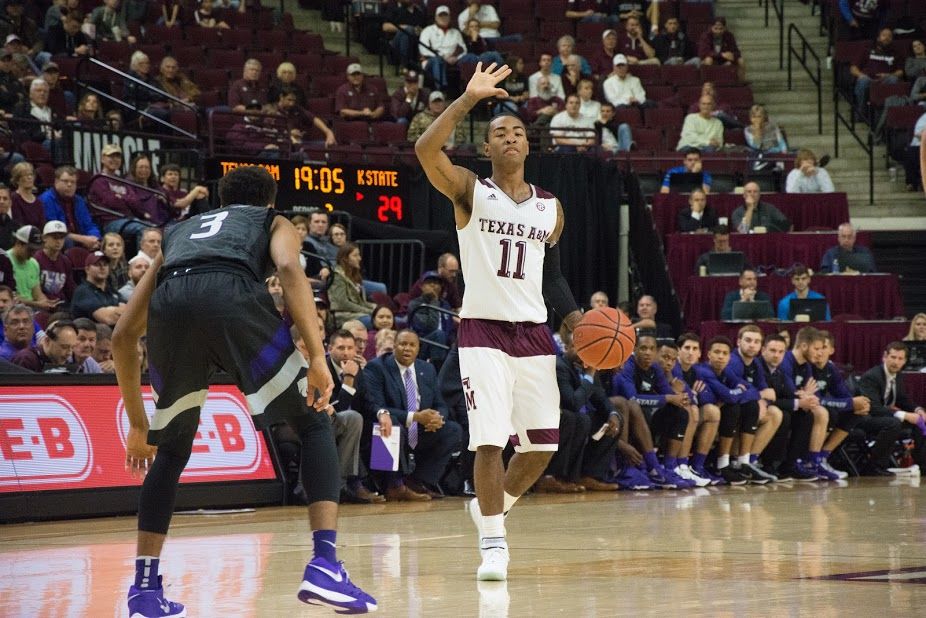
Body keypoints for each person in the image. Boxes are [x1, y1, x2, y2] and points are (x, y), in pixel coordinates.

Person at [112, 166, 376, 617]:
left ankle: (143, 590)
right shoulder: (272, 222)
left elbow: (121, 337)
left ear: (219, 201)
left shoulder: (177, 231)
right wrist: (316, 356)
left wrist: (139, 426)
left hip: (172, 304)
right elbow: (290, 267)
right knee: (314, 419)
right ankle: (325, 566)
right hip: (229, 292)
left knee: (171, 452)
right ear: (269, 201)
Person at [414, 62, 583, 581]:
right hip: (483, 331)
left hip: (534, 334)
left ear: (528, 146)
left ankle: (493, 506)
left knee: (543, 446)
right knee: (488, 440)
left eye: (517, 132)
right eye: (498, 133)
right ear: (486, 148)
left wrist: (576, 319)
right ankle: (494, 544)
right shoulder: (470, 190)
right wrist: (466, 101)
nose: (509, 137)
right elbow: (425, 150)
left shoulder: (550, 209)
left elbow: (551, 277)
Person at [360, 329, 462, 500]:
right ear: (394, 346)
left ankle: (418, 482)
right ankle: (393, 485)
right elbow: (374, 406)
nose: (407, 348)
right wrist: (415, 417)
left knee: (453, 430)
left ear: (418, 348)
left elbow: (440, 403)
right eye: (403, 344)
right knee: (388, 422)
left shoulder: (427, 369)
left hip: (421, 431)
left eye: (412, 345)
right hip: (391, 429)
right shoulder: (377, 367)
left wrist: (437, 418)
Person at [610, 333, 697, 488]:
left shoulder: (655, 368)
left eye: (651, 349)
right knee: (636, 407)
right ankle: (652, 467)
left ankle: (669, 468)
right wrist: (669, 398)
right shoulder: (627, 366)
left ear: (656, 352)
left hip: (646, 419)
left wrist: (683, 398)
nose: (648, 352)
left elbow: (670, 394)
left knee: (681, 412)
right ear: (634, 349)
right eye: (643, 348)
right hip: (622, 419)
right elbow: (633, 399)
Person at [553, 328, 621, 492]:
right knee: (578, 419)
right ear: (567, 348)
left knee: (611, 420)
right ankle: (552, 477)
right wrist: (589, 375)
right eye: (577, 347)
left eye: (585, 348)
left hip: (573, 419)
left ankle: (589, 476)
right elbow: (573, 403)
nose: (582, 352)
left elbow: (601, 399)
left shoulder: (585, 367)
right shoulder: (560, 366)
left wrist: (613, 414)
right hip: (555, 418)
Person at [858, 342, 926, 474]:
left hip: (883, 416)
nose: (896, 362)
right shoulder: (872, 377)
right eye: (893, 357)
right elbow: (873, 407)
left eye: (900, 359)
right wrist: (905, 415)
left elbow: (902, 399)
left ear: (905, 361)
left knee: (921, 420)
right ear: (885, 357)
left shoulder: (898, 375)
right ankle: (875, 467)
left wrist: (918, 410)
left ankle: (923, 466)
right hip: (865, 418)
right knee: (893, 423)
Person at [726, 325, 783, 482]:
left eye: (757, 342)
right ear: (738, 342)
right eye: (748, 340)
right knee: (748, 409)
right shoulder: (733, 361)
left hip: (747, 407)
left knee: (775, 413)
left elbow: (769, 393)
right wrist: (758, 397)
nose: (752, 345)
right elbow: (736, 391)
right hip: (728, 406)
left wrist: (761, 399)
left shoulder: (756, 363)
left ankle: (749, 461)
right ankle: (735, 462)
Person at [8, 225, 61, 312]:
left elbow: (37, 293)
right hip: (12, 310)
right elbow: (10, 297)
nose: (33, 253)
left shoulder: (34, 263)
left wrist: (46, 302)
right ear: (18, 243)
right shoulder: (5, 261)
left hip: (31, 310)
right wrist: (37, 304)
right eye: (30, 249)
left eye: (35, 250)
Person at [850, 27, 901, 110]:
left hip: (885, 80)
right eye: (884, 35)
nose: (887, 38)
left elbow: (900, 71)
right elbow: (853, 68)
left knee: (893, 79)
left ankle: (887, 111)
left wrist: (889, 75)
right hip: (868, 78)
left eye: (889, 36)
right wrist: (861, 75)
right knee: (863, 81)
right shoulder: (867, 50)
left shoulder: (895, 53)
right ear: (878, 38)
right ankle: (861, 111)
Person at [328, 242, 376, 327]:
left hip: (356, 312)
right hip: (343, 315)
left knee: (384, 314)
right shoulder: (337, 276)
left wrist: (375, 308)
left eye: (359, 255)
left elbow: (360, 302)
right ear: (345, 258)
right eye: (355, 255)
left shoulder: (354, 275)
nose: (359, 258)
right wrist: (367, 310)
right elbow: (342, 303)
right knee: (373, 320)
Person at [418, 6, 465, 92]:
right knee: (437, 60)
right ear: (436, 17)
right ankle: (440, 88)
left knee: (468, 58)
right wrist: (443, 57)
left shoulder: (456, 32)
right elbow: (423, 49)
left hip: (453, 60)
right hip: (431, 61)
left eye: (445, 16)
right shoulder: (427, 30)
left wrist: (455, 58)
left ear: (449, 17)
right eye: (441, 16)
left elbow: (463, 49)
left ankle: (465, 90)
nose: (443, 18)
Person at [70, 250, 126, 324]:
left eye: (105, 264)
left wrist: (111, 310)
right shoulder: (83, 291)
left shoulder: (111, 290)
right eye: (97, 265)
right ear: (87, 269)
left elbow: (130, 312)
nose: (102, 267)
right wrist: (119, 310)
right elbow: (107, 319)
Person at [34, 220, 76, 306]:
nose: (59, 241)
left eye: (62, 238)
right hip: (42, 305)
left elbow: (70, 288)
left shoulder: (65, 261)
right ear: (44, 238)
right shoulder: (36, 259)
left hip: (62, 305)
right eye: (55, 237)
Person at [11, 318, 76, 373]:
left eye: (72, 347)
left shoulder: (67, 362)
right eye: (64, 347)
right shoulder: (26, 359)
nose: (69, 353)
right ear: (47, 341)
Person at [698, 17, 745, 82]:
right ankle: (707, 85)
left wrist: (732, 55)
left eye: (721, 29)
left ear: (725, 28)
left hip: (724, 61)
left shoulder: (729, 36)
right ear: (711, 27)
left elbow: (737, 52)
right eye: (716, 29)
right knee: (708, 60)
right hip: (712, 59)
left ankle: (740, 84)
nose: (718, 31)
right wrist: (721, 55)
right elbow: (703, 53)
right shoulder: (705, 36)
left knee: (741, 61)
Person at [10, 162, 45, 230]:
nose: (29, 177)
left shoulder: (38, 202)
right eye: (25, 175)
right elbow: (18, 224)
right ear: (17, 180)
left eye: (31, 174)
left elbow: (42, 224)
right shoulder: (14, 198)